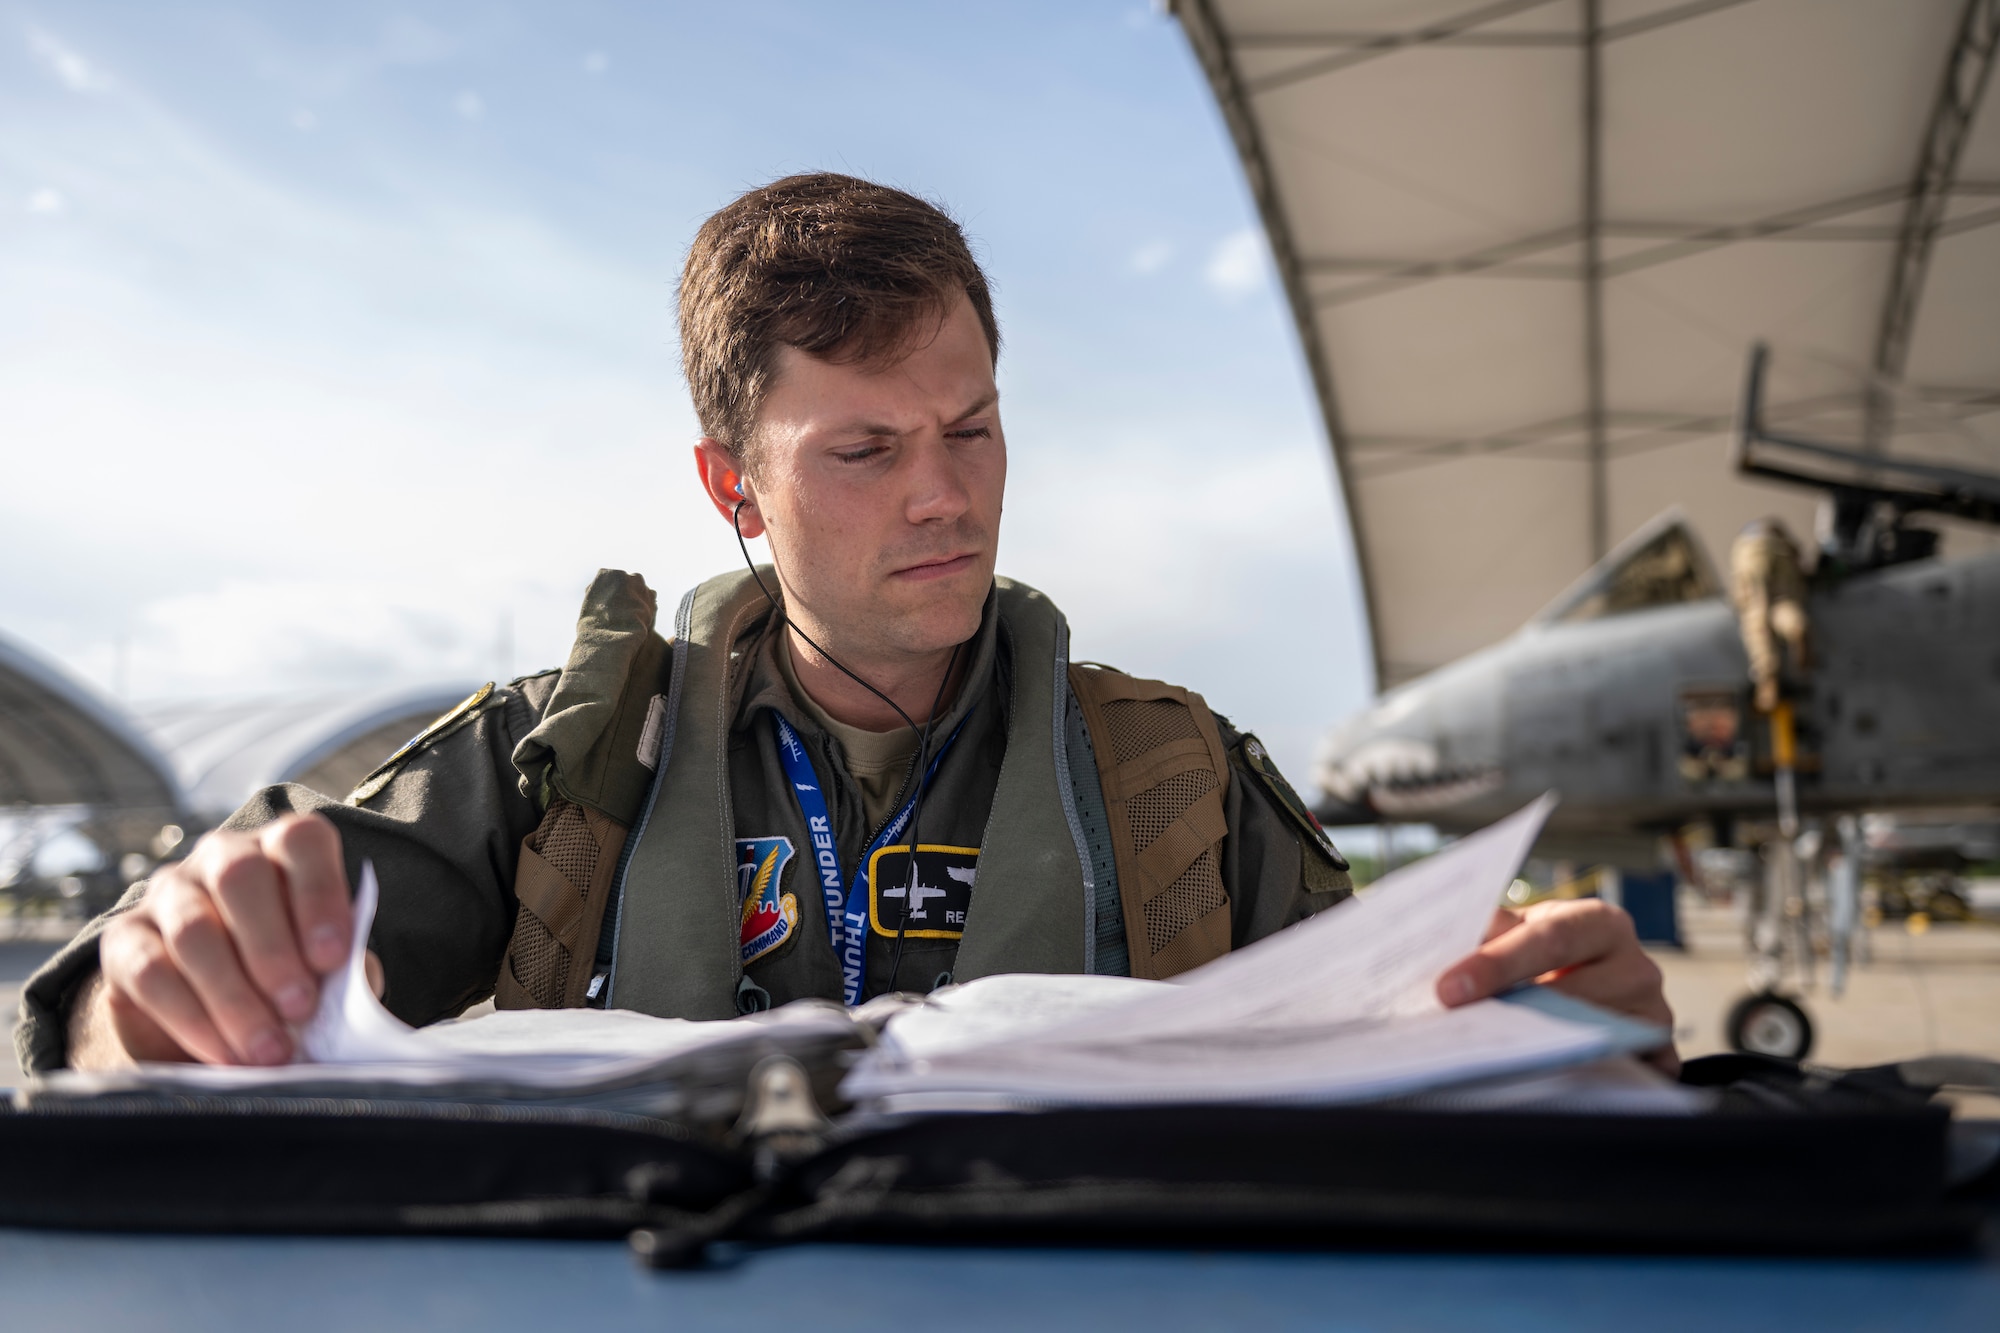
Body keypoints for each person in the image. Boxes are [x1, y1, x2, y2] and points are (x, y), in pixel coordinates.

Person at [21, 174, 1674, 1076]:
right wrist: (158, 987)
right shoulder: (561, 763)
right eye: (868, 451)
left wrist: (1561, 1033)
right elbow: (177, 986)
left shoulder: (1175, 778)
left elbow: (1417, 1035)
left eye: (972, 427)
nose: (946, 496)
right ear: (731, 485)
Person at [1730, 517, 1811, 714]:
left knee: (1755, 614)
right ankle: (1795, 626)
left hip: (1751, 550)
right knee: (1782, 602)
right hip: (1779, 549)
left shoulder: (1747, 539)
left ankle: (1767, 679)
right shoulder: (1777, 530)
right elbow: (1798, 558)